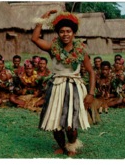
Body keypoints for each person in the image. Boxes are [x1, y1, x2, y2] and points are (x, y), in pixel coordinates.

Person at [31, 10, 95, 156]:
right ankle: (61, 146)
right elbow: (35, 39)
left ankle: (71, 145)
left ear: (74, 33)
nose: (65, 34)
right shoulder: (53, 49)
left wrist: (90, 94)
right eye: (61, 31)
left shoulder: (81, 50)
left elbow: (91, 72)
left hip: (75, 88)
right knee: (55, 122)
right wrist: (42, 19)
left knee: (71, 125)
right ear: (58, 33)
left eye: (68, 31)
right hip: (56, 87)